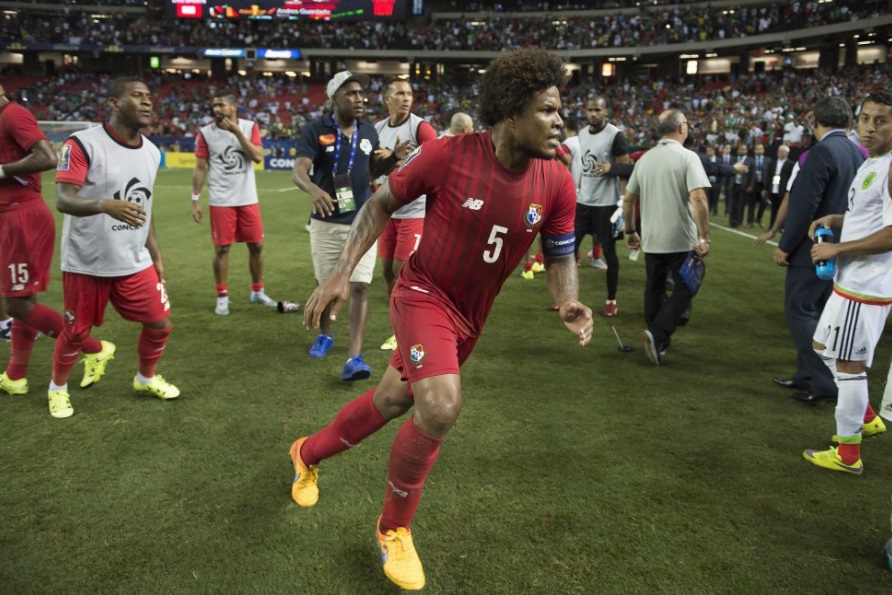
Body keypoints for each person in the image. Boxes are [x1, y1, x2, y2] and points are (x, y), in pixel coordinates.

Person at [290, 48, 593, 591]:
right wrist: (340, 272)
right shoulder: (448, 154)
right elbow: (379, 203)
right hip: (423, 294)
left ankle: (306, 453)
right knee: (441, 405)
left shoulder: (557, 182)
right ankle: (393, 529)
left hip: (469, 319)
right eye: (547, 110)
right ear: (511, 113)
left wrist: (568, 299)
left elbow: (561, 254)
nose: (559, 121)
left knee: (392, 401)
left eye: (559, 110)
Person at [49, 76, 180, 419]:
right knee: (76, 333)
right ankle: (57, 389)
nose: (147, 101)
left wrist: (156, 254)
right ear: (114, 104)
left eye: (149, 96)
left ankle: (145, 378)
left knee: (160, 324)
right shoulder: (83, 143)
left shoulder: (151, 152)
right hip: (86, 261)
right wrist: (104, 205)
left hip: (133, 260)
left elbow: (144, 207)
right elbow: (63, 199)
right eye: (137, 95)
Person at [0, 82, 112, 413]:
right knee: (22, 299)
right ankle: (15, 375)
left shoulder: (12, 115)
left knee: (15, 304)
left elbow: (48, 157)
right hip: (11, 215)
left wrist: (2, 170)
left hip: (20, 217)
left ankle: (94, 348)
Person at [801, 90, 892, 475]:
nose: (870, 127)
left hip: (866, 285)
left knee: (849, 365)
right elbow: (869, 216)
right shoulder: (873, 160)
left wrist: (837, 248)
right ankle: (866, 416)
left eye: (881, 120)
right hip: (850, 279)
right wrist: (838, 220)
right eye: (865, 118)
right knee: (823, 346)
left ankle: (848, 454)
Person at [292, 71, 404, 381]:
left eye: (360, 93)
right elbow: (299, 169)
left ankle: (354, 356)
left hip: (363, 221)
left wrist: (393, 157)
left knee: (360, 286)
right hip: (326, 222)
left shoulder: (368, 131)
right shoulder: (316, 130)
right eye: (351, 93)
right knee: (326, 285)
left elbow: (373, 170)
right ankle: (325, 335)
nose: (359, 98)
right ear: (334, 98)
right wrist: (313, 189)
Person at [772, 96, 864, 403]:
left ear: (815, 122)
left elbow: (804, 205)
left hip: (814, 248)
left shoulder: (822, 151)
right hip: (840, 245)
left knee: (799, 311)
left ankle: (824, 381)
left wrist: (785, 245)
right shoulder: (855, 151)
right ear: (849, 122)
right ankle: (807, 376)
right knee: (820, 314)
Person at [623, 109, 711, 365]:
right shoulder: (687, 157)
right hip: (681, 238)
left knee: (654, 288)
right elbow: (698, 198)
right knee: (687, 286)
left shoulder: (645, 159)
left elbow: (628, 199)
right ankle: (658, 334)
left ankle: (657, 341)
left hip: (652, 238)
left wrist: (630, 230)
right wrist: (705, 236)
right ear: (682, 127)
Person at [191, 93, 277, 316]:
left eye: (221, 105)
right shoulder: (206, 133)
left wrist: (237, 132)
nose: (217, 109)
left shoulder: (249, 127)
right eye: (214, 105)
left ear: (234, 107)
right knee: (221, 249)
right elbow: (200, 168)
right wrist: (195, 199)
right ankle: (222, 297)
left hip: (247, 198)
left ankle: (257, 291)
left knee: (257, 246)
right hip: (221, 200)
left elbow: (258, 157)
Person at [373, 79, 437, 351]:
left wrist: (402, 160)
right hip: (388, 212)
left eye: (410, 93)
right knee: (387, 271)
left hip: (414, 212)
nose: (406, 98)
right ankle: (397, 328)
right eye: (400, 93)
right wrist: (388, 160)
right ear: (387, 99)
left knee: (403, 272)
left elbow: (437, 161)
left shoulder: (421, 128)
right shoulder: (377, 129)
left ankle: (410, 332)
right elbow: (372, 167)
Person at [576, 96, 630, 317]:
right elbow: (584, 167)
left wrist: (613, 169)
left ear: (605, 111)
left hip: (606, 204)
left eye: (597, 110)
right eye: (590, 110)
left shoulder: (615, 135)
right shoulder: (581, 134)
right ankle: (567, 299)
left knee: (609, 252)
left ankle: (611, 300)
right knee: (567, 251)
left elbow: (627, 169)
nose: (593, 114)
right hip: (583, 202)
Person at [761, 144, 794, 230]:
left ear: (787, 153)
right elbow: (769, 176)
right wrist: (766, 188)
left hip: (783, 190)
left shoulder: (791, 164)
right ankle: (772, 226)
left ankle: (782, 227)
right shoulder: (773, 163)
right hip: (773, 188)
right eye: (779, 151)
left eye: (782, 151)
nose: (780, 153)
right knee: (773, 209)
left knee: (782, 210)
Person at [727, 143, 755, 228]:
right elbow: (729, 172)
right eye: (740, 149)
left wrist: (751, 185)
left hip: (744, 185)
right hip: (734, 184)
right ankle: (732, 221)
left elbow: (753, 175)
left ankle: (739, 222)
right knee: (732, 204)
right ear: (737, 150)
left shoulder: (751, 161)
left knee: (741, 205)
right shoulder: (733, 159)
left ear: (746, 151)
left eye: (743, 149)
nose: (742, 151)